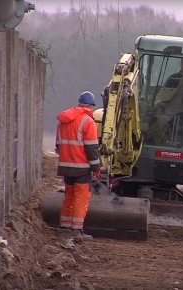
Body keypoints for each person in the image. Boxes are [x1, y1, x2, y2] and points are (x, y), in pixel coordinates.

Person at [55, 91, 100, 243]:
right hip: (81, 167)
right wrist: (96, 168)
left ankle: (65, 227)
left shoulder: (63, 120)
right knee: (81, 198)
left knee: (69, 196)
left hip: (65, 166)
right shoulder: (88, 121)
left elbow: (58, 145)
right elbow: (91, 148)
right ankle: (77, 230)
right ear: (90, 106)